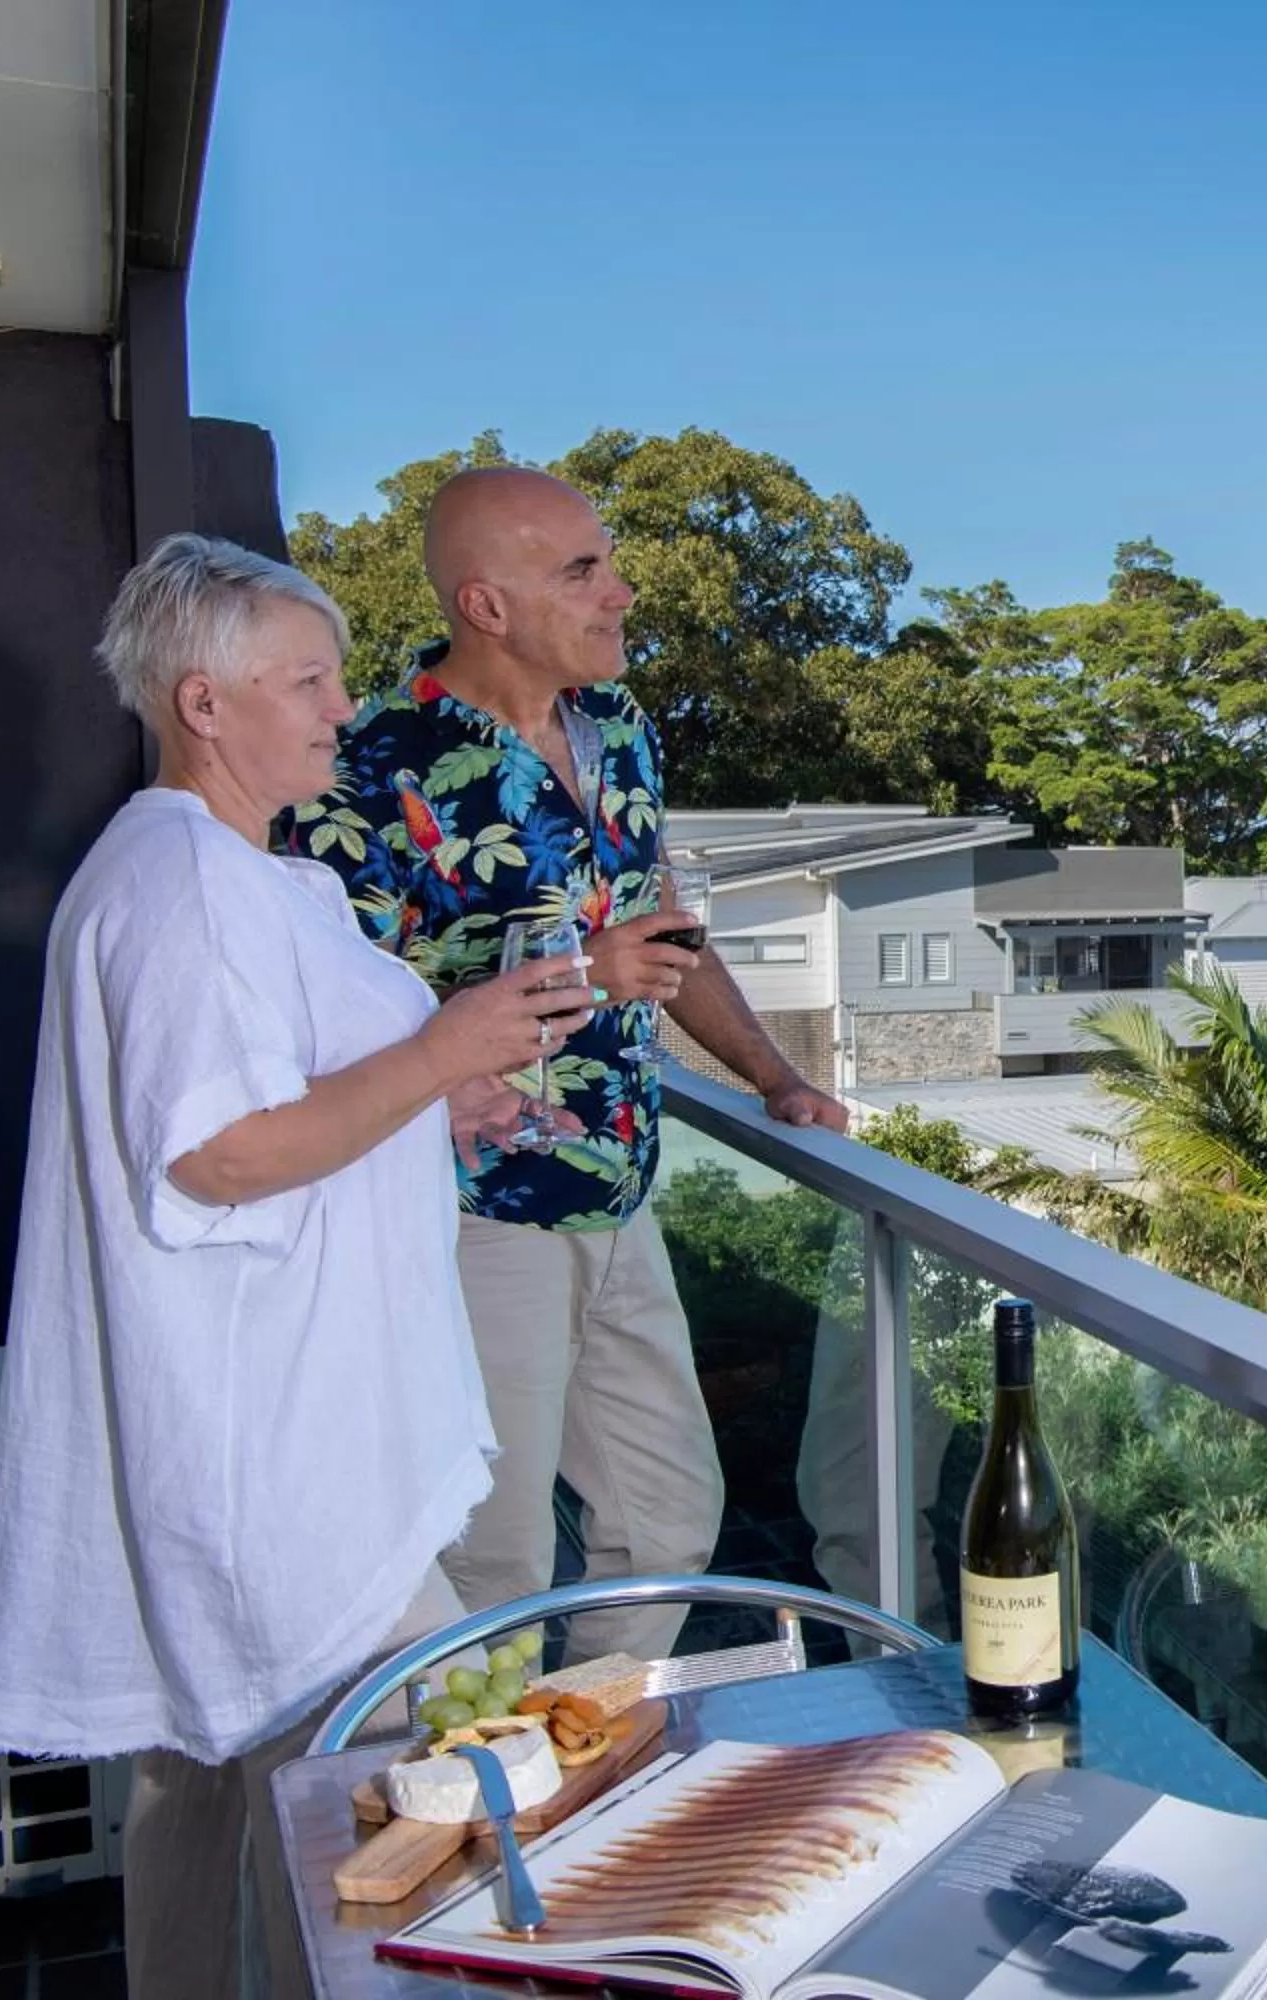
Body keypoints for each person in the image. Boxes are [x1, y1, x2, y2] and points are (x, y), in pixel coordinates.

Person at [0, 535, 596, 2000]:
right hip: (287, 1463)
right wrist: (440, 1048)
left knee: (219, 1792)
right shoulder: (183, 886)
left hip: (259, 1430)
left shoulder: (237, 876)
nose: (338, 707)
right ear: (205, 703)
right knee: (394, 1819)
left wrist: (437, 1097)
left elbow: (293, 1102)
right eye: (308, 680)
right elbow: (218, 1153)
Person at [288, 466, 848, 1666]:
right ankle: (474, 1816)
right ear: (486, 606)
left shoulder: (623, 732)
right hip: (470, 1212)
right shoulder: (368, 764)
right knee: (489, 1557)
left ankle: (584, 1757)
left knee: (666, 1513)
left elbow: (659, 925)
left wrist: (772, 1077)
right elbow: (331, 1016)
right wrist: (587, 971)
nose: (622, 590)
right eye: (582, 569)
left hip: (621, 1191)